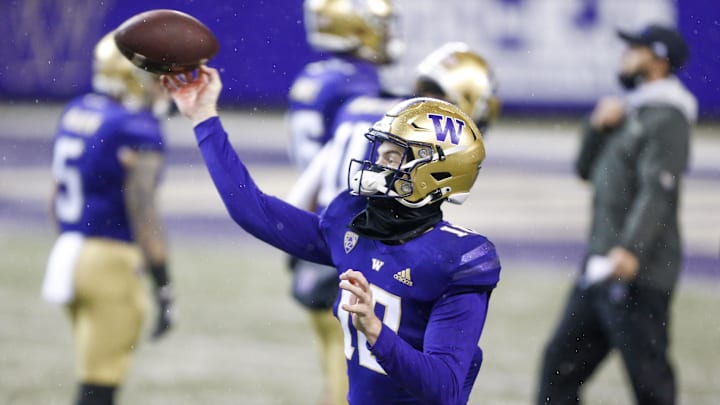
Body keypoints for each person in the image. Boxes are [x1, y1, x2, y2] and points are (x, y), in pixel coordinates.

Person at [162, 66, 501, 404]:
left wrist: (377, 332)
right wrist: (203, 116)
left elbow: (445, 388)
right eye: (380, 152)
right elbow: (253, 210)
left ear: (434, 170)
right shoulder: (354, 224)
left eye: (392, 156)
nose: (377, 163)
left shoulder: (459, 259)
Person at [536, 24, 697, 405]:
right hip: (600, 268)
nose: (625, 56)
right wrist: (595, 128)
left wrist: (631, 249)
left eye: (635, 49)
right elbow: (584, 169)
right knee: (558, 368)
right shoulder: (632, 111)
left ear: (658, 61)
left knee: (650, 384)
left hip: (637, 274)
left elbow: (659, 189)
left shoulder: (667, 117)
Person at [42, 31, 175, 405]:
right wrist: (164, 285)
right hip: (112, 261)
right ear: (131, 77)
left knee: (91, 373)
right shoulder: (137, 128)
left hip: (69, 252)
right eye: (151, 76)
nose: (157, 86)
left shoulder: (77, 110)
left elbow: (53, 197)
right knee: (100, 387)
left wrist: (75, 244)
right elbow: (144, 213)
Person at [285, 1, 400, 403]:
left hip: (314, 219)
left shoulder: (314, 78)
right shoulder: (357, 84)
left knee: (332, 357)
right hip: (346, 228)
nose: (385, 34)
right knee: (351, 366)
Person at [287, 41, 500, 217]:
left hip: (323, 233)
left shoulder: (365, 106)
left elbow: (304, 193)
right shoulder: (420, 133)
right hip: (366, 248)